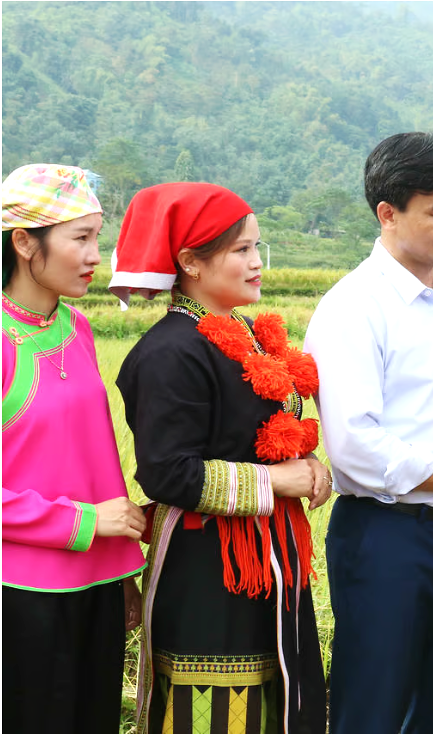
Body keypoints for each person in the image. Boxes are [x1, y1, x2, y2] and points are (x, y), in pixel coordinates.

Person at [304, 132, 433, 734]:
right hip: (389, 539)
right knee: (375, 709)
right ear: (388, 213)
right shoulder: (353, 307)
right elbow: (352, 446)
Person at [110, 183, 330, 734]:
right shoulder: (170, 352)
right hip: (211, 569)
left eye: (258, 248)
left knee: (277, 706)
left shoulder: (246, 336)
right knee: (215, 711)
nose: (257, 263)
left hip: (272, 561)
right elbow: (167, 471)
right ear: (189, 262)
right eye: (241, 251)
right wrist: (276, 481)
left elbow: (254, 437)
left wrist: (306, 467)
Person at [2, 164, 147, 733]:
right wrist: (82, 521)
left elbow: (97, 458)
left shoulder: (78, 328)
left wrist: (121, 571)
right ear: (23, 242)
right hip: (22, 595)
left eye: (98, 238)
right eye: (80, 239)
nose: (95, 255)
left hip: (96, 586)